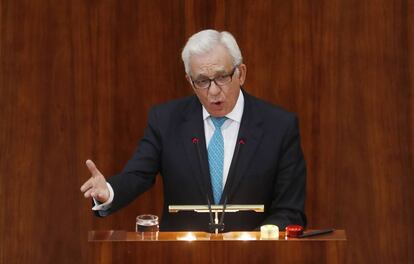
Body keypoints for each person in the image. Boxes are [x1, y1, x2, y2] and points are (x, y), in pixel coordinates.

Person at [80, 29, 306, 231]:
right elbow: (138, 175)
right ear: (190, 81)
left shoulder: (279, 126)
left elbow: (289, 210)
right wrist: (108, 192)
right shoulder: (166, 120)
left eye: (222, 77)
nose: (214, 91)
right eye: (202, 81)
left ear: (241, 73)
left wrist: (254, 245)